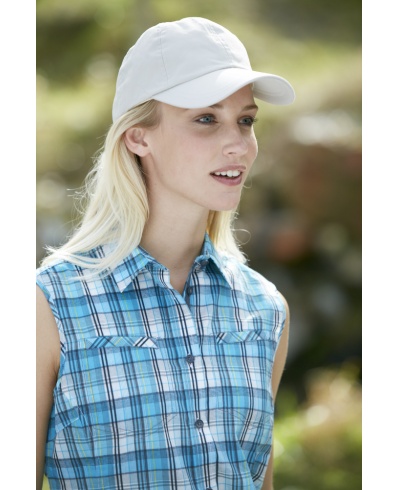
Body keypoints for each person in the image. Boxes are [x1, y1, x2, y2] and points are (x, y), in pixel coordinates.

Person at [36, 16, 294, 490]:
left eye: (246, 120)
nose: (238, 145)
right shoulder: (49, 304)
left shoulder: (264, 308)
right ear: (138, 136)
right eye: (206, 119)